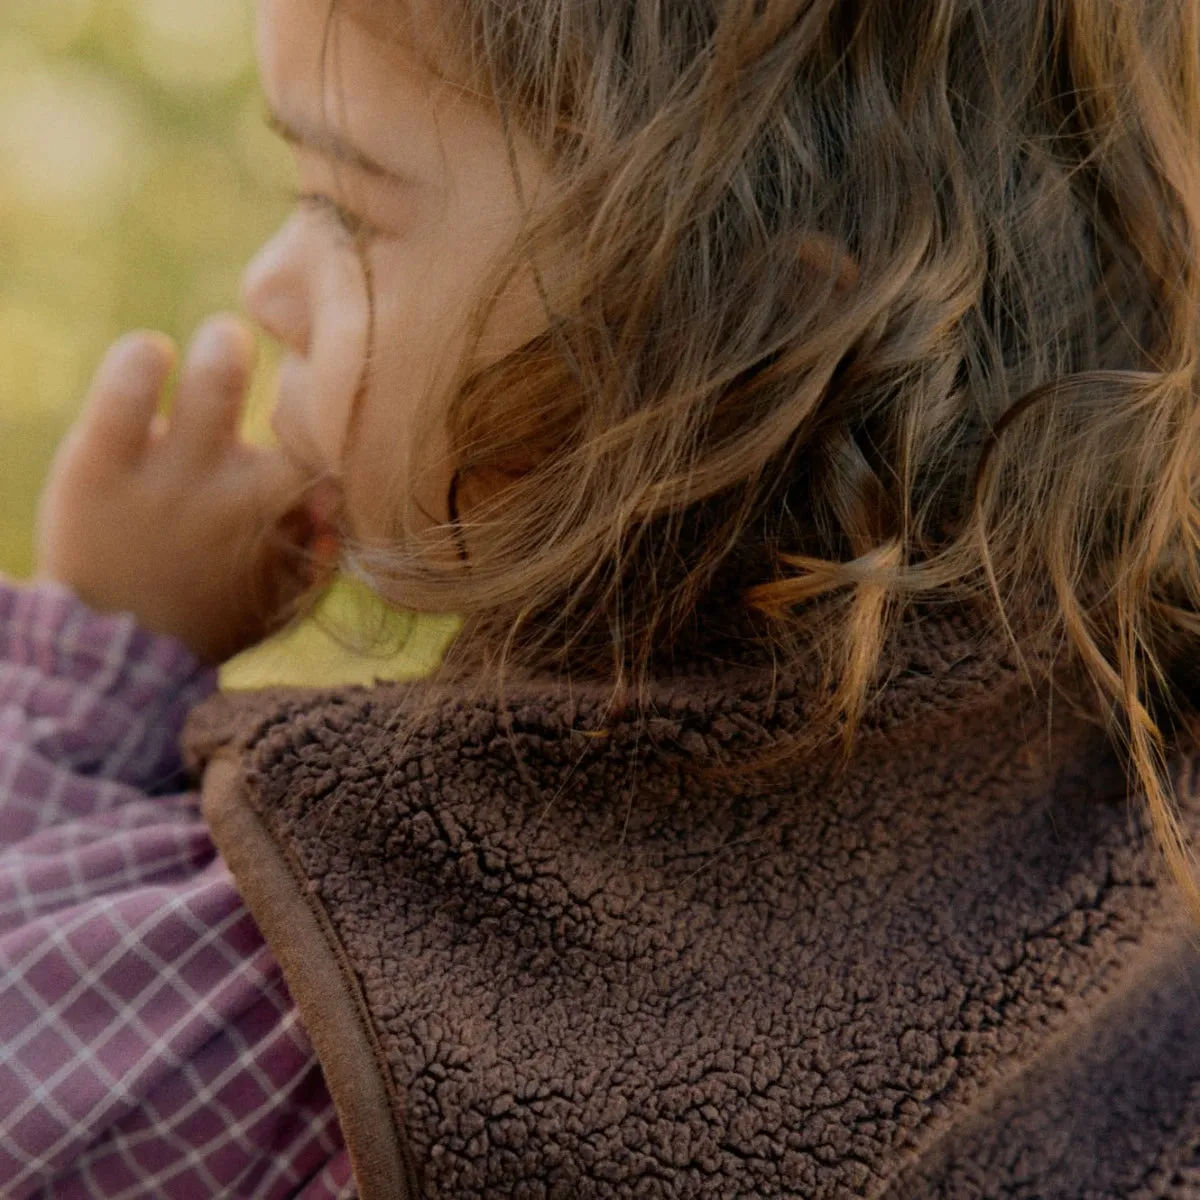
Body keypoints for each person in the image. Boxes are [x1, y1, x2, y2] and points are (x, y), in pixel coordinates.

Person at [5, 0, 1200, 1195]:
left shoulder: (374, 961)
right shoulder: (1128, 848)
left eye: (345, 209)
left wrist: (103, 659)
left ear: (733, 345)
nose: (269, 287)